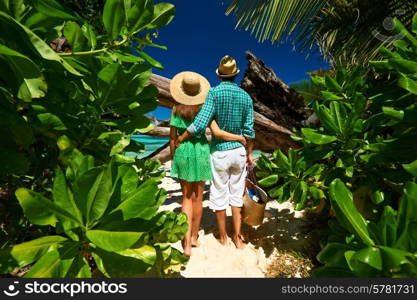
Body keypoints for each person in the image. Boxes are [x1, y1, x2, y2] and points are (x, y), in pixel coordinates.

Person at [176, 56, 255, 249]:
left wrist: (182, 137)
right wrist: (250, 153)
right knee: (237, 195)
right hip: (239, 152)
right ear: (235, 75)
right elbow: (249, 131)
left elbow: (201, 122)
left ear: (220, 75)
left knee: (219, 194)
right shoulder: (246, 97)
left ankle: (223, 237)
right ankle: (237, 237)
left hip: (220, 151)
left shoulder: (213, 93)